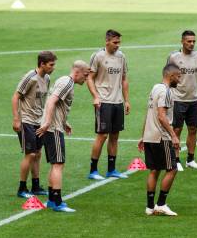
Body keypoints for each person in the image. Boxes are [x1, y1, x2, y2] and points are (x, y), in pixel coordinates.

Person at [36, 60, 90, 213]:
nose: (86, 79)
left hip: (54, 126)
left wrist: (65, 121)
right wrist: (47, 122)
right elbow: (51, 102)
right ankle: (58, 202)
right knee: (58, 164)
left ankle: (52, 200)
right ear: (77, 72)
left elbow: (55, 103)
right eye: (85, 75)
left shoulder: (64, 81)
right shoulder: (67, 82)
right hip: (53, 128)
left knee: (55, 164)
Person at [166, 30, 197, 170]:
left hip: (194, 99)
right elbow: (166, 77)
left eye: (194, 41)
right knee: (176, 129)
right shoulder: (174, 57)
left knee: (193, 129)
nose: (192, 44)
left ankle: (190, 159)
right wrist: (165, 96)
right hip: (177, 99)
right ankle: (175, 160)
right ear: (182, 41)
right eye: (189, 41)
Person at [11, 51, 57, 198]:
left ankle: (36, 186)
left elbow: (44, 100)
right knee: (30, 154)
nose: (53, 67)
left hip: (39, 121)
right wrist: (16, 119)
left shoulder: (47, 78)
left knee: (37, 154)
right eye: (51, 65)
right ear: (42, 64)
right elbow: (16, 96)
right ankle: (22, 188)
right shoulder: (30, 78)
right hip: (27, 121)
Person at [138, 64, 182, 216]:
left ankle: (150, 207)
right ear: (171, 76)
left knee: (154, 170)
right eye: (178, 76)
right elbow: (161, 116)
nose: (180, 80)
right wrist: (174, 136)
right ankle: (161, 204)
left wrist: (143, 135)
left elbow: (148, 111)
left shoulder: (155, 88)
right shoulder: (166, 92)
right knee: (172, 169)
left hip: (150, 135)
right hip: (161, 137)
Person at [87, 29, 130, 180]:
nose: (118, 45)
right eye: (115, 42)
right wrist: (95, 96)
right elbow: (90, 78)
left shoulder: (121, 56)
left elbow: (124, 79)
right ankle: (93, 170)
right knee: (102, 135)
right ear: (107, 41)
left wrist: (126, 100)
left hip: (117, 101)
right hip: (103, 101)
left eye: (119, 42)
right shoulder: (98, 56)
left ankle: (111, 169)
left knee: (114, 136)